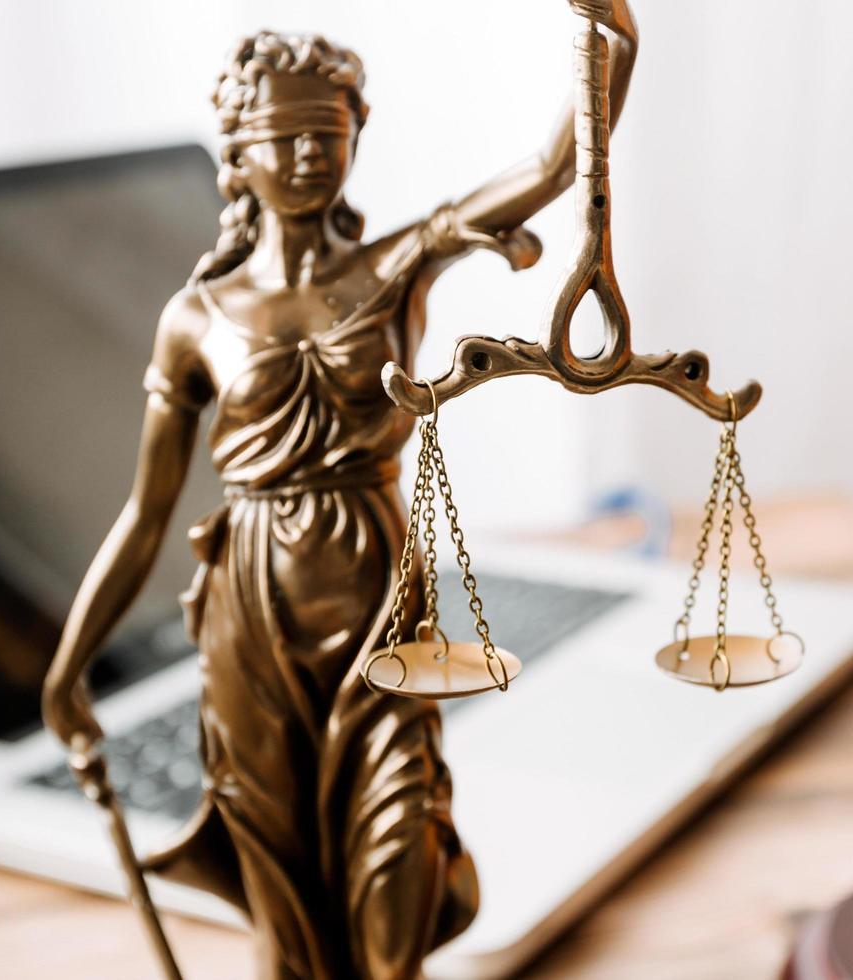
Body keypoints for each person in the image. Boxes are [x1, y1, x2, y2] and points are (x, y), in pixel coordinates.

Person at [36, 4, 635, 976]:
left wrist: (615, 45)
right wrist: (70, 663)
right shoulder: (196, 318)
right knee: (289, 907)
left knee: (400, 845)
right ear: (238, 152)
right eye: (284, 137)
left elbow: (551, 169)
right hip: (251, 619)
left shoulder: (394, 267)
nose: (310, 154)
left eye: (329, 132)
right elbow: (148, 513)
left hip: (379, 603)